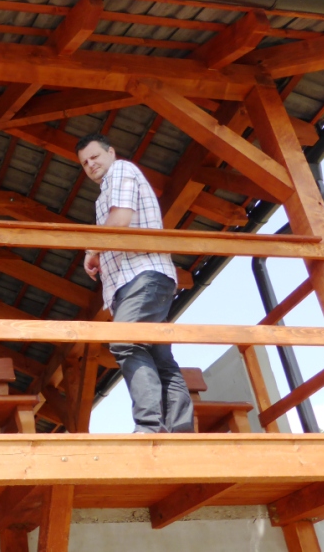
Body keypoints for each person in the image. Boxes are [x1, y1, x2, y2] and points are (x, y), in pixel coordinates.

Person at [75, 132, 193, 434]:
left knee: (124, 342)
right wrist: (100, 255)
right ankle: (179, 431)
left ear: (111, 152)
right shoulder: (104, 194)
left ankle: (150, 427)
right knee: (158, 356)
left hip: (143, 274)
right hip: (136, 281)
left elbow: (121, 219)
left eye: (94, 157)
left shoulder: (121, 170)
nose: (91, 165)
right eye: (85, 163)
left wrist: (93, 250)